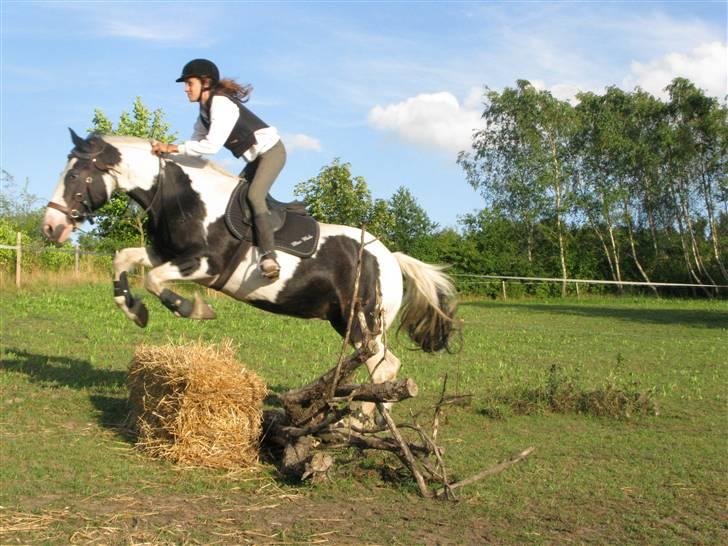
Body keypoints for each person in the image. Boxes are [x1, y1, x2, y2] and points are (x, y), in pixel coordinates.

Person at [152, 58, 285, 280]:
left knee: (253, 195)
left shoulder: (221, 105)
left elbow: (210, 146)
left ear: (205, 83)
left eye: (189, 83)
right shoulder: (203, 115)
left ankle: (269, 256)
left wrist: (172, 147)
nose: (185, 89)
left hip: (272, 152)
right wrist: (166, 155)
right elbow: (193, 148)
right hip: (255, 160)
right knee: (234, 199)